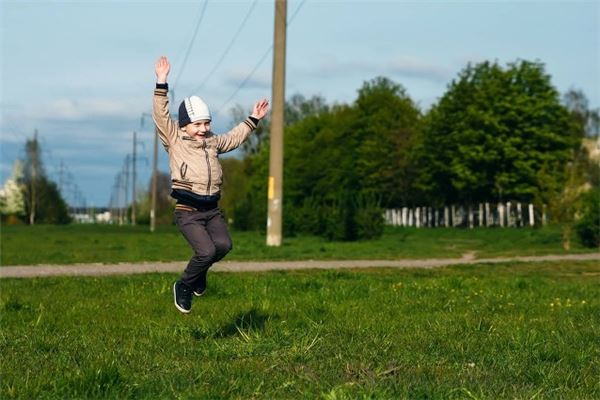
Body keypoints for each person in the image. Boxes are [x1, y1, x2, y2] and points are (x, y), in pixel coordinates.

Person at [153, 56, 269, 314]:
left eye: (207, 123)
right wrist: (162, 83)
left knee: (224, 246)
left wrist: (253, 119)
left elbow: (233, 138)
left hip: (212, 210)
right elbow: (161, 115)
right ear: (185, 125)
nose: (204, 129)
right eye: (198, 124)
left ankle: (199, 273)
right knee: (205, 251)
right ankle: (184, 285)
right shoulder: (175, 139)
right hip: (188, 212)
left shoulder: (213, 141)